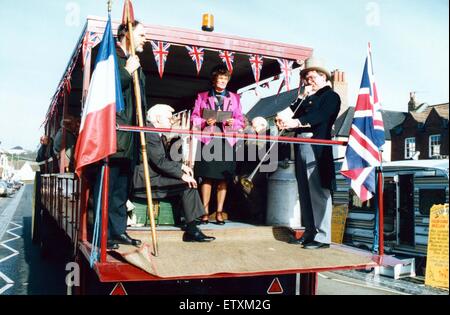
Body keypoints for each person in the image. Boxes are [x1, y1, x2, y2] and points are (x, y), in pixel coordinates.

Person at [276, 57, 341, 249]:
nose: (308, 81)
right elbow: (292, 112)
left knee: (318, 191)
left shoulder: (331, 97)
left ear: (322, 77)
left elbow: (319, 117)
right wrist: (286, 117)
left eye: (311, 77)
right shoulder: (307, 98)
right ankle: (310, 231)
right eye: (306, 78)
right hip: (301, 144)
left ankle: (322, 237)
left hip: (316, 145)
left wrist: (296, 122)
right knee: (304, 191)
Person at [133, 105, 215, 242]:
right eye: (169, 118)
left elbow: (160, 160)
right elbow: (159, 162)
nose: (171, 121)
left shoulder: (154, 132)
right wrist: (181, 174)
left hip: (153, 176)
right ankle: (192, 229)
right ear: (158, 118)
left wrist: (181, 166)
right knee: (187, 184)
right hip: (145, 180)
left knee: (189, 181)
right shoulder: (150, 133)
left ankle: (190, 220)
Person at [102, 20, 147, 250]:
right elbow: (107, 89)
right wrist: (128, 72)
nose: (145, 39)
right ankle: (104, 236)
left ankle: (118, 232)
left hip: (131, 136)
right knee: (109, 190)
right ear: (125, 34)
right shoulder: (113, 57)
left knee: (121, 190)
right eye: (141, 34)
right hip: (116, 135)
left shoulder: (134, 60)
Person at [191, 65, 245, 225]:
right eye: (220, 78)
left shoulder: (235, 98)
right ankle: (205, 212)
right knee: (206, 177)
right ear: (214, 80)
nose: (222, 81)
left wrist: (232, 122)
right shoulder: (202, 96)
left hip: (226, 141)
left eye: (225, 79)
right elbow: (194, 118)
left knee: (224, 178)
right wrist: (204, 122)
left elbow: (241, 121)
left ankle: (220, 212)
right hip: (208, 140)